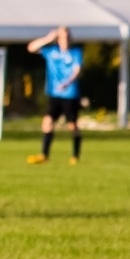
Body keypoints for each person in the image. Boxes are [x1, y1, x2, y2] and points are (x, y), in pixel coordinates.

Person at [26, 26, 83, 165]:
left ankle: (75, 155)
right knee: (47, 122)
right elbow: (31, 48)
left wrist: (67, 82)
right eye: (63, 37)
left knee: (72, 126)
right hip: (55, 94)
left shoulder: (76, 52)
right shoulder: (51, 52)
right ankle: (44, 155)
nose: (66, 40)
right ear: (58, 39)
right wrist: (47, 38)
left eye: (67, 37)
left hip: (70, 94)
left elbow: (77, 70)